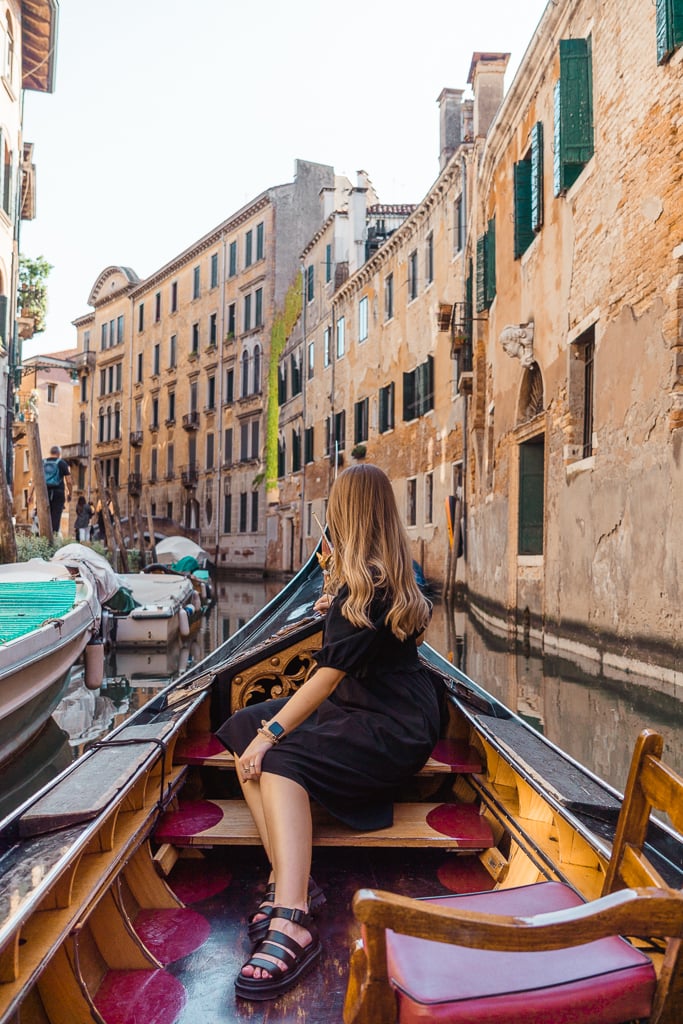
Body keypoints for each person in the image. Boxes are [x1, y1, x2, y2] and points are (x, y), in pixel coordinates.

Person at [217, 463, 441, 1002]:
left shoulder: (367, 590)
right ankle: (288, 878)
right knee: (239, 727)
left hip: (390, 726)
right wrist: (330, 608)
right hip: (375, 706)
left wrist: (272, 733)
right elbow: (354, 640)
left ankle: (291, 916)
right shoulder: (376, 582)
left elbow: (326, 677)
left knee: (274, 754)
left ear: (346, 515)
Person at [43, 445, 72, 534]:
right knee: (56, 516)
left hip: (44, 492)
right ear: (59, 454)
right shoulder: (62, 463)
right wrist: (70, 493)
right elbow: (69, 481)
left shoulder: (42, 462)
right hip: (58, 492)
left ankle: (43, 538)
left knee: (44, 516)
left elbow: (35, 478)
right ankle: (54, 537)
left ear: (50, 452)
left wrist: (30, 494)